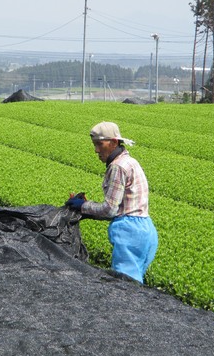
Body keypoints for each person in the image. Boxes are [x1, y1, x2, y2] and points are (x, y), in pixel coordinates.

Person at [65, 121, 158, 283]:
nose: (96, 150)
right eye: (94, 144)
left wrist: (82, 206)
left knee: (125, 287)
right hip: (145, 229)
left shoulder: (117, 167)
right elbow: (120, 206)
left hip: (130, 233)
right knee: (136, 284)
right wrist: (88, 209)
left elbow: (110, 210)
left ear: (114, 142)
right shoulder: (130, 162)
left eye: (100, 144)